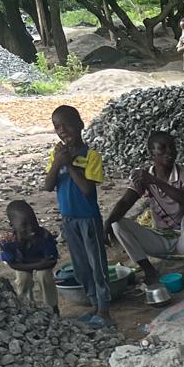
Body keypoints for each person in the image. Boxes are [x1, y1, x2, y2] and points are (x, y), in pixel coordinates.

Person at [104, 130, 184, 291]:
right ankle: (149, 271)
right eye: (162, 148)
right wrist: (107, 223)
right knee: (117, 224)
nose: (169, 152)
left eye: (172, 147)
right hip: (160, 239)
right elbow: (124, 202)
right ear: (151, 153)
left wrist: (154, 181)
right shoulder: (143, 177)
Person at [42, 105, 113, 328]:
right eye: (57, 127)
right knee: (81, 267)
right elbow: (47, 185)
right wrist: (57, 163)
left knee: (97, 266)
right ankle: (94, 304)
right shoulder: (56, 155)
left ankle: (105, 310)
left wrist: (69, 164)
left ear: (81, 125)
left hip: (88, 218)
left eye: (67, 124)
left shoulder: (91, 156)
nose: (62, 130)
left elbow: (87, 190)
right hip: (68, 219)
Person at [0, 199, 60, 313]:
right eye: (24, 225)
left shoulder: (44, 236)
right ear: (12, 225)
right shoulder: (8, 241)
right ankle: (25, 306)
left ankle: (52, 306)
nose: (31, 227)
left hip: (32, 264)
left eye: (34, 222)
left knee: (44, 275)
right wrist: (38, 264)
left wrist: (40, 264)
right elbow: (13, 264)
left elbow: (52, 261)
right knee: (23, 279)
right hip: (25, 265)